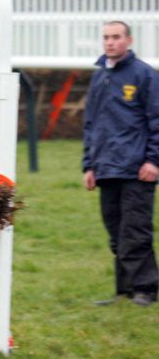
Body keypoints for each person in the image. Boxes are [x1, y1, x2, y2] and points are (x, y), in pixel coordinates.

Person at [83, 20, 159, 307]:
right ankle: (125, 290)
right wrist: (89, 165)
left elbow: (156, 121)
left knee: (135, 231)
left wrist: (153, 160)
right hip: (105, 168)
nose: (110, 42)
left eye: (116, 37)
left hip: (137, 169)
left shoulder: (145, 76)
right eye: (105, 37)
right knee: (116, 232)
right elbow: (91, 125)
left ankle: (146, 289)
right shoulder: (100, 75)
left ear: (129, 40)